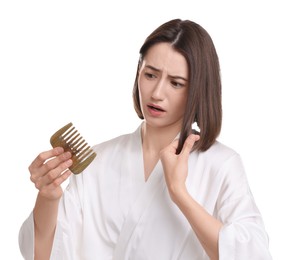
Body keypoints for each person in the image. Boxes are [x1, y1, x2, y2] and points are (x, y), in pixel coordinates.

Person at [19, 18, 272, 260]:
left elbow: (252, 254)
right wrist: (49, 197)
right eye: (150, 75)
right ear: (138, 72)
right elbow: (45, 255)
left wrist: (178, 192)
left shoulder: (221, 164)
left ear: (197, 90)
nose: (157, 93)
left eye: (176, 83)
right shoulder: (98, 162)